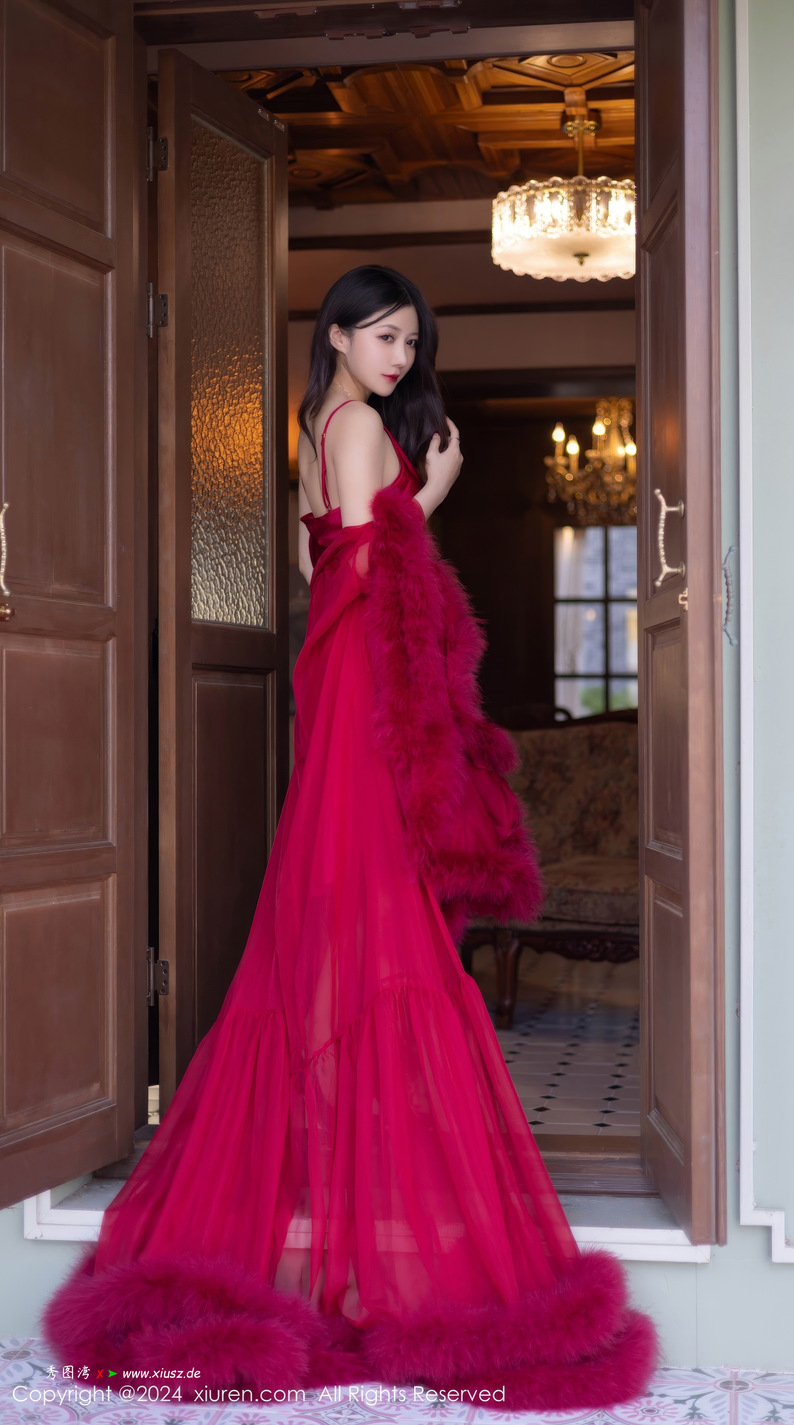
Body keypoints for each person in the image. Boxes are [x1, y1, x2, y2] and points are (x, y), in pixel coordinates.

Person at [41, 265, 657, 1411]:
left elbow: (311, 562)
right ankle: (369, 1178)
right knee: (377, 907)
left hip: (336, 683)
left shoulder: (316, 429)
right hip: (364, 692)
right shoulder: (363, 428)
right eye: (383, 337)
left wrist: (399, 511)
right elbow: (371, 565)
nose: (399, 358)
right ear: (335, 334)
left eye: (409, 343)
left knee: (336, 906)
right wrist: (436, 494)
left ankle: (334, 1154)